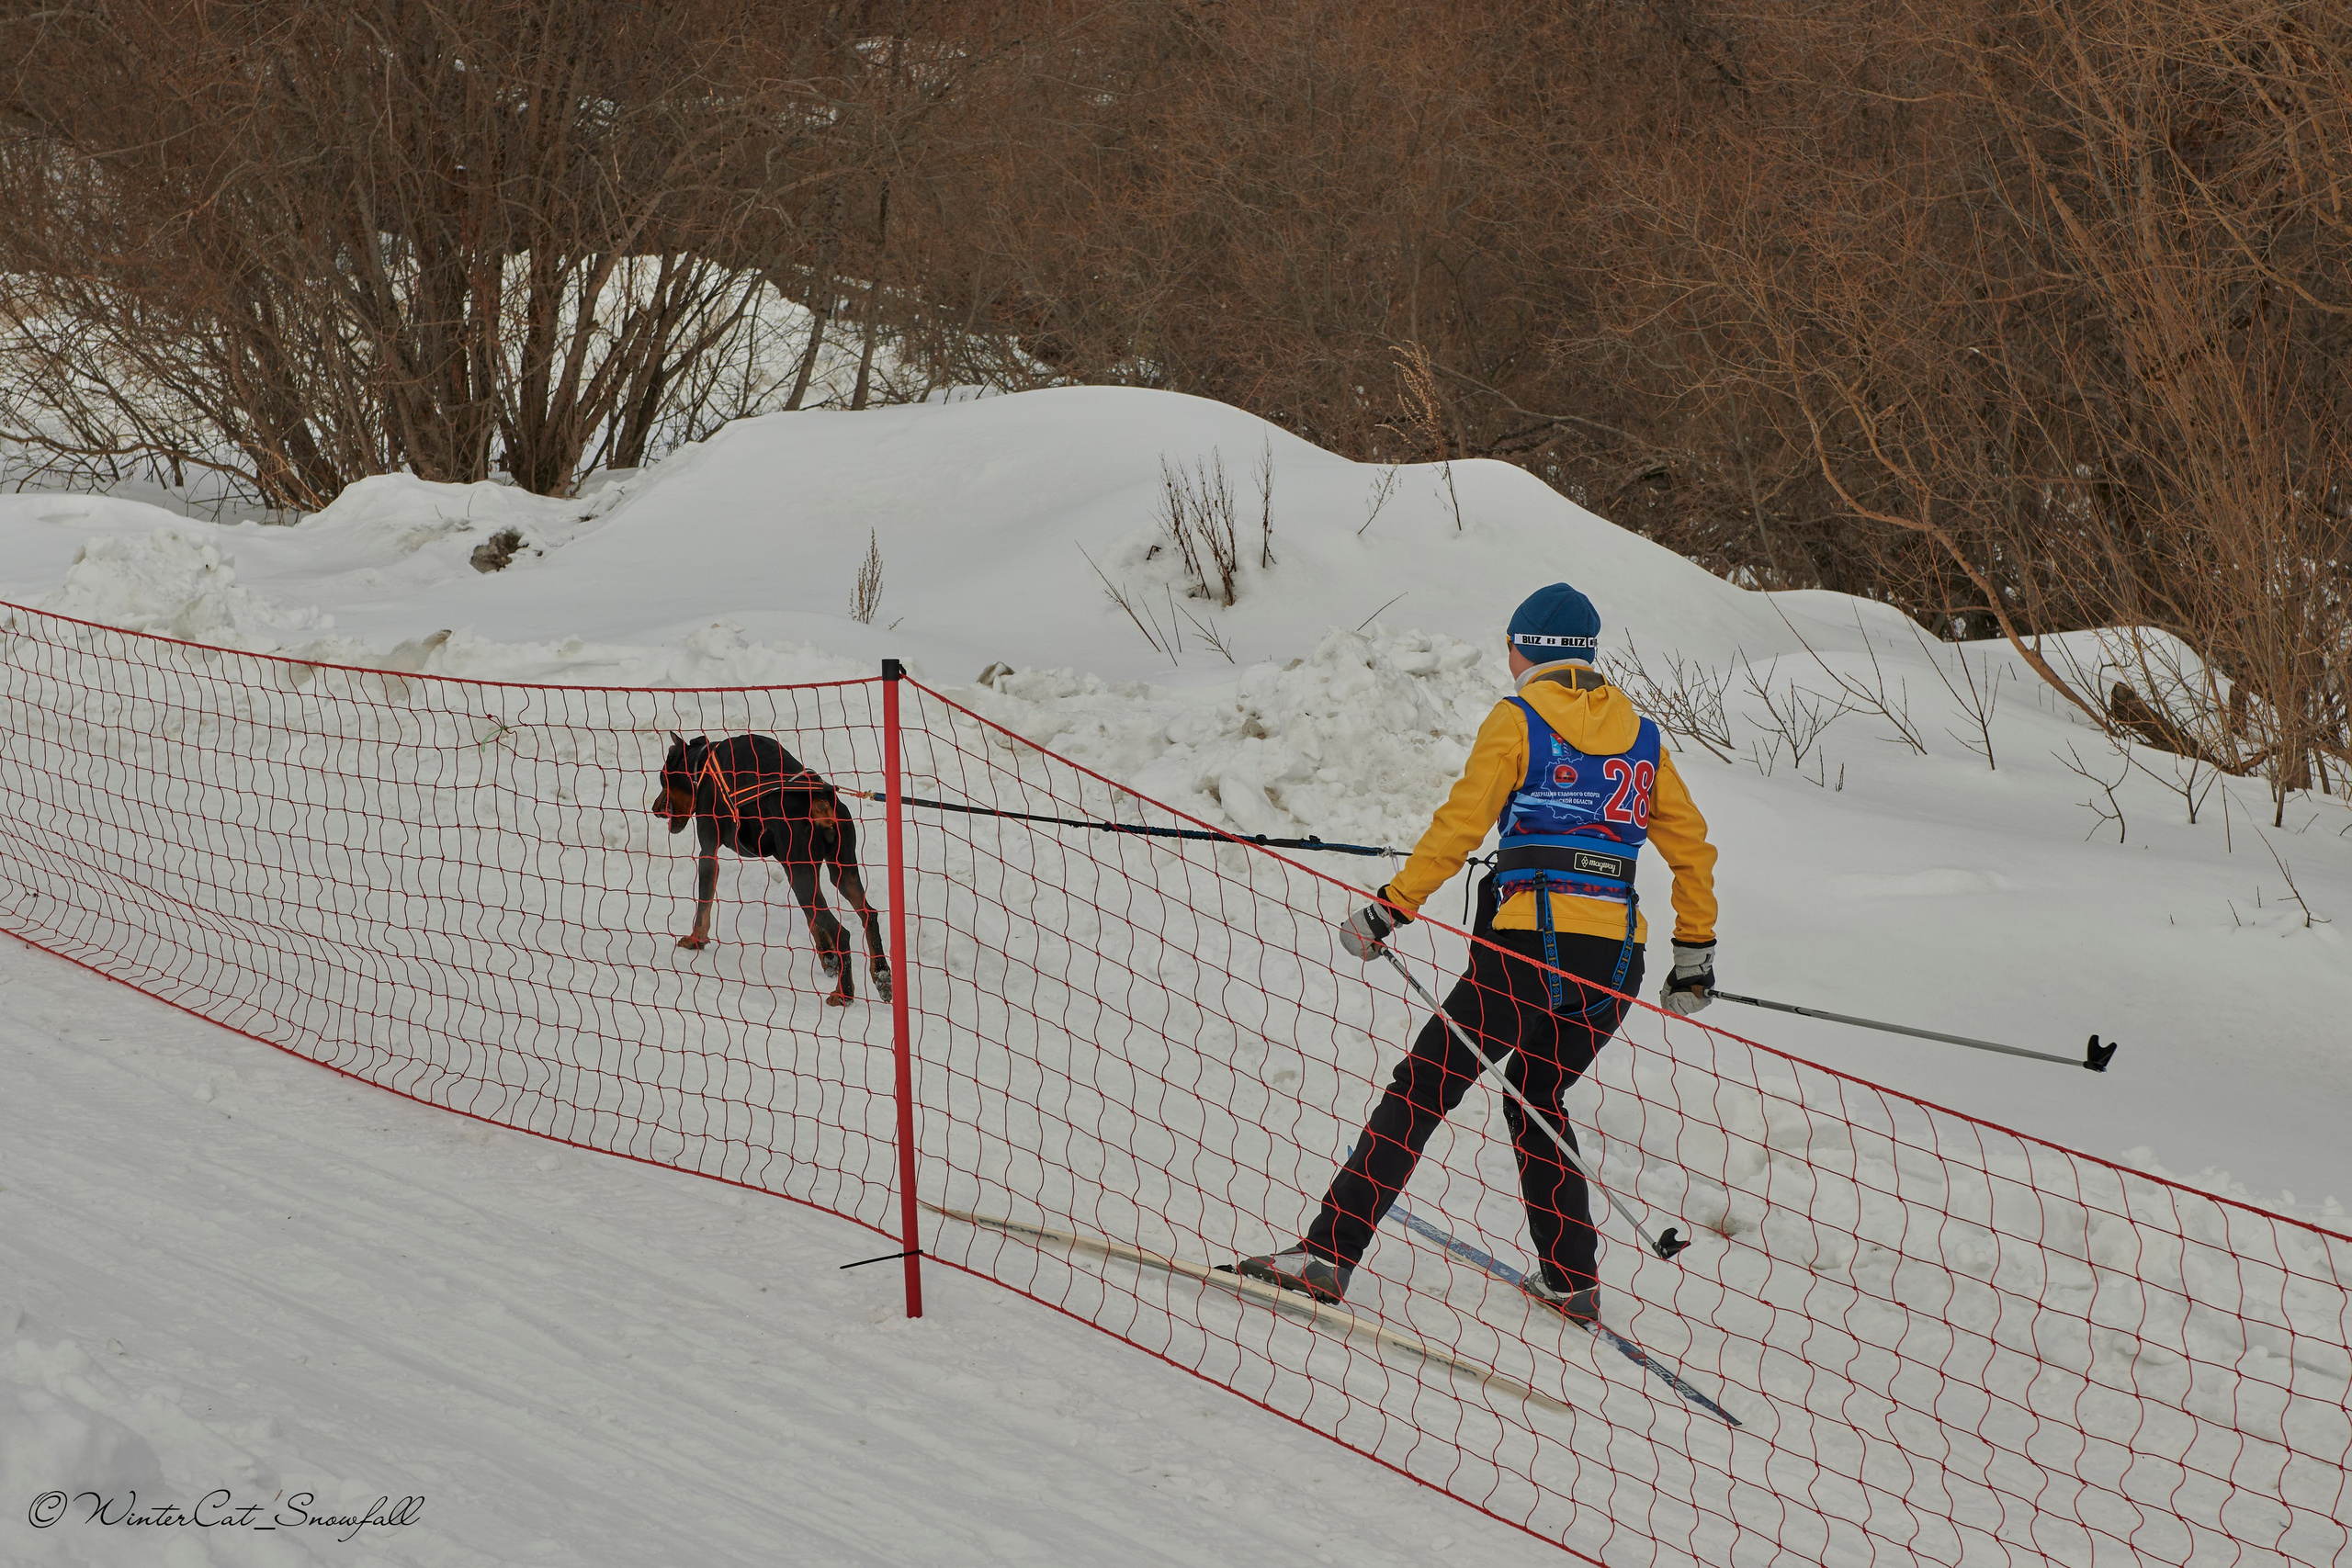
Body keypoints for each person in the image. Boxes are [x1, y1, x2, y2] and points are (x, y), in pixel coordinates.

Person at [1234, 583, 1719, 1325]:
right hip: (1616, 962)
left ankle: (1327, 1253)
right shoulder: (1644, 738)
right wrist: (1695, 954)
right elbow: (1692, 849)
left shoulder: (1519, 718)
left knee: (1423, 1086)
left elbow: (1459, 824)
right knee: (1537, 1094)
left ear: (1525, 648)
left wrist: (1391, 907)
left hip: (1527, 951)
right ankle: (1571, 1277)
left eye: (1511, 645)